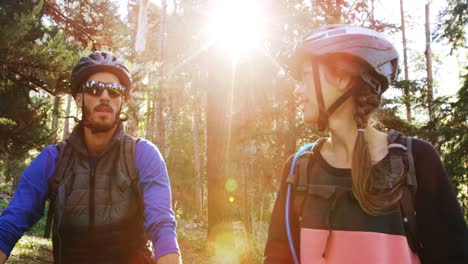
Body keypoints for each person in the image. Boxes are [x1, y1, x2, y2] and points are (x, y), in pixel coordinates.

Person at [263, 24, 468, 264]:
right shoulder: (298, 168)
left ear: (342, 78)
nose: (298, 91)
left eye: (306, 76)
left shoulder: (417, 161)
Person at [0, 51, 181, 264]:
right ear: (79, 98)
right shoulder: (53, 159)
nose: (105, 96)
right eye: (94, 89)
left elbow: (162, 225)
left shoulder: (142, 155)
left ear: (122, 101)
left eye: (114, 91)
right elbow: (10, 225)